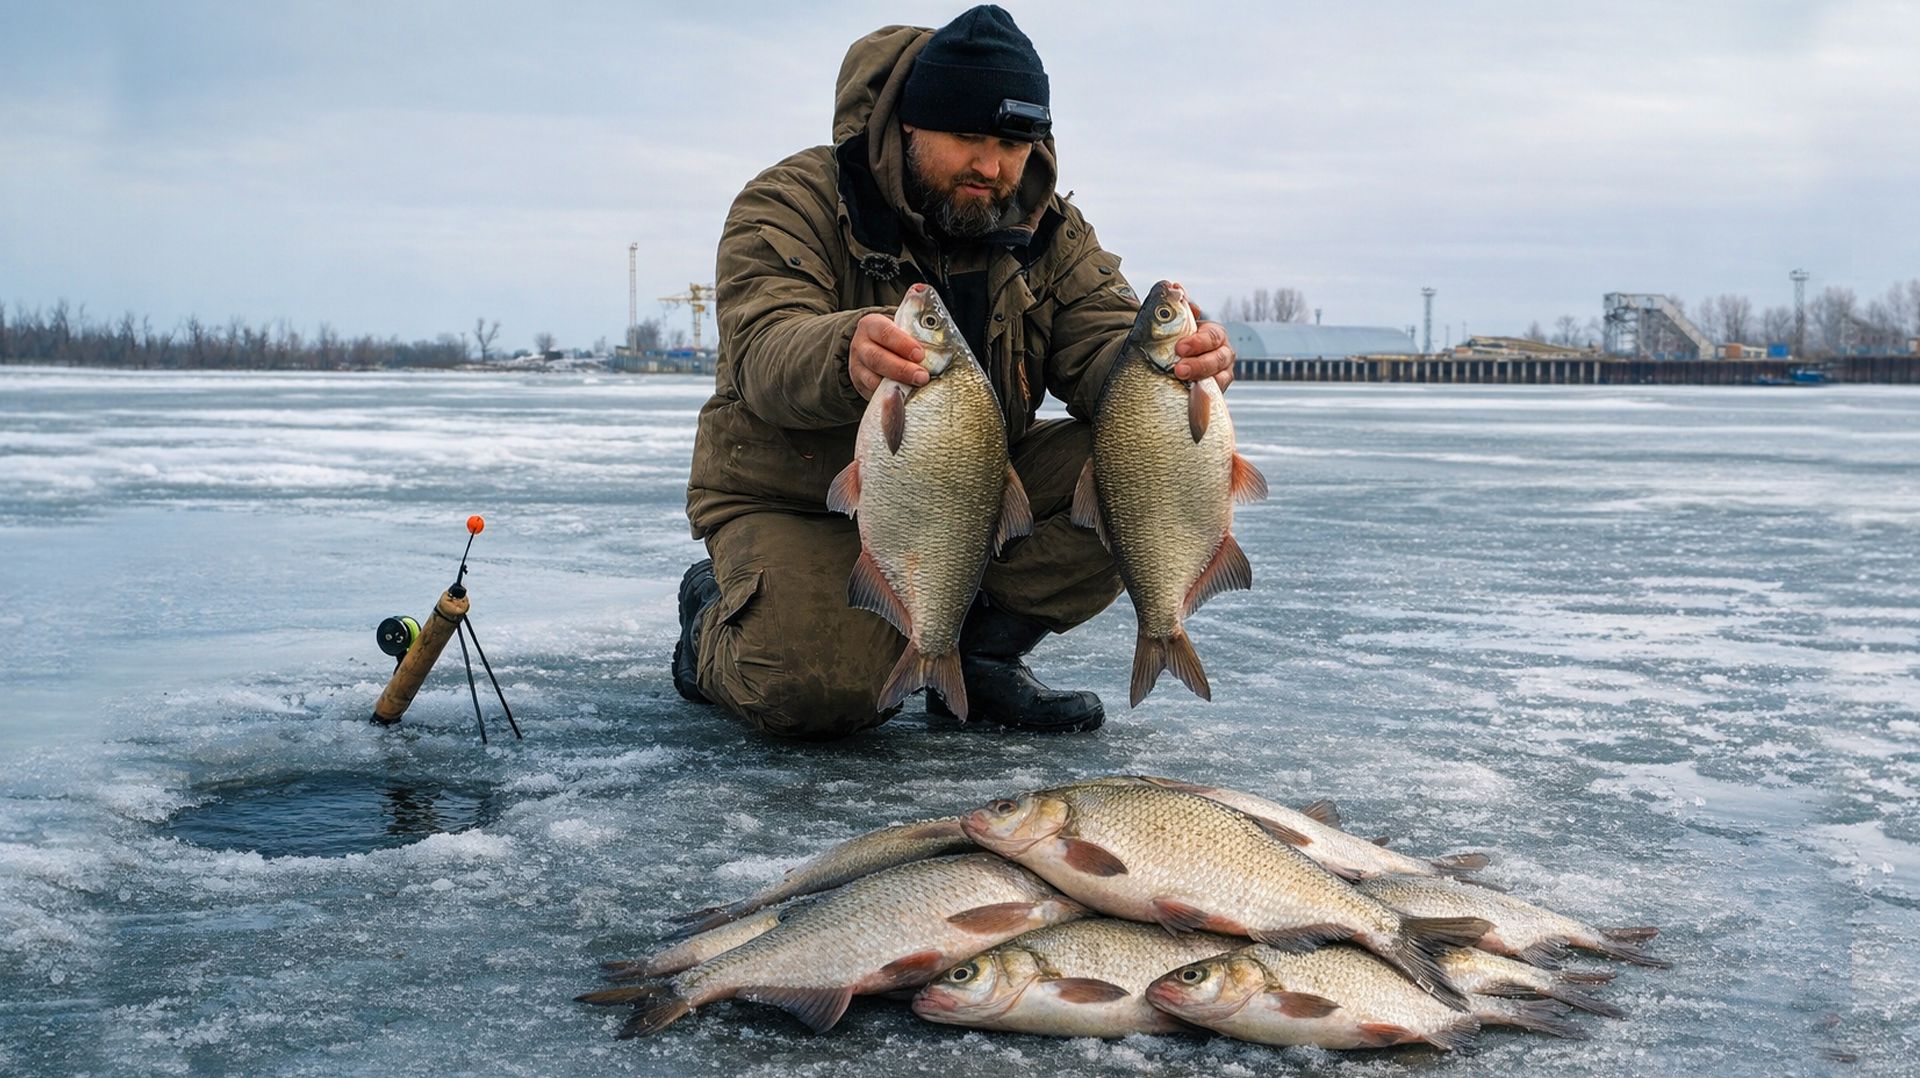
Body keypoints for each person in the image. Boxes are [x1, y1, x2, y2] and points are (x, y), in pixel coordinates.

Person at [673, 5, 1235, 739]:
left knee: (1142, 457)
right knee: (816, 695)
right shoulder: (793, 201)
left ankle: (979, 656)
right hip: (797, 494)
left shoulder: (1047, 228)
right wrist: (844, 352)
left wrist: (1172, 370)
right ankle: (714, 618)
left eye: (1011, 144)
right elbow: (762, 347)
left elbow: (1102, 339)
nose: (991, 167)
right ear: (911, 123)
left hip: (968, 482)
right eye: (967, 137)